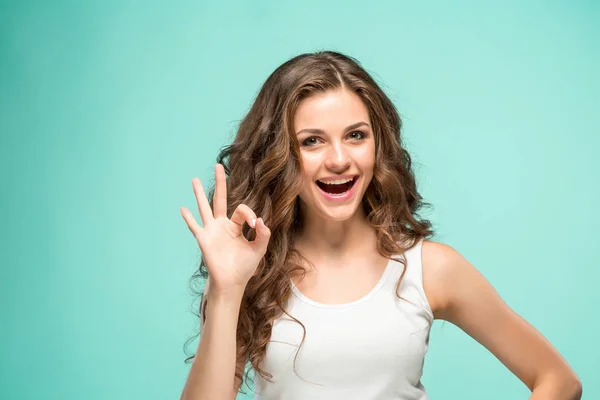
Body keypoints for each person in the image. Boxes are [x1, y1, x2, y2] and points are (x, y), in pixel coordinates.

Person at [178, 51, 582, 400]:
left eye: (356, 135)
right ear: (281, 155)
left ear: (378, 144)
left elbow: (558, 381)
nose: (338, 159)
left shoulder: (431, 268)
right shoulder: (249, 272)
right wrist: (228, 290)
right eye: (312, 141)